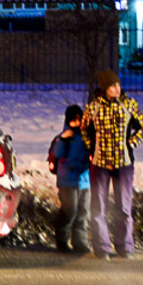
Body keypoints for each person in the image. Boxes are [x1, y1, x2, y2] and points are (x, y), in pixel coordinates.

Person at [81, 69, 143, 259]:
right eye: (113, 86)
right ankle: (102, 247)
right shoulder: (94, 107)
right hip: (99, 163)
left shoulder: (129, 105)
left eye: (118, 85)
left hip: (124, 163)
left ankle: (125, 246)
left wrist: (131, 143)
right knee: (99, 208)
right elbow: (84, 130)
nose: (117, 89)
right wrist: (91, 147)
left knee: (124, 207)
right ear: (104, 88)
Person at [47, 104, 91, 254]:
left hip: (84, 180)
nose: (77, 122)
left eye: (80, 119)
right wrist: (63, 140)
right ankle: (62, 239)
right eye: (74, 119)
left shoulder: (86, 136)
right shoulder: (64, 137)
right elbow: (57, 154)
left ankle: (80, 241)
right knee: (70, 210)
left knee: (83, 212)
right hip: (67, 181)